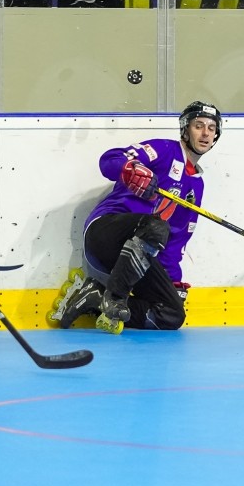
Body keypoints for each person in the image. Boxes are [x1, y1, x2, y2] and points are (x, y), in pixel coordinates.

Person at [48, 101, 221, 334]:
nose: (205, 133)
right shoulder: (163, 150)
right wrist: (128, 169)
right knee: (156, 226)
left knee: (172, 315)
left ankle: (96, 297)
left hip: (137, 256)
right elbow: (109, 159)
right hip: (105, 234)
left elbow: (175, 241)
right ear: (185, 129)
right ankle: (115, 297)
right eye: (198, 126)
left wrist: (172, 282)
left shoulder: (196, 187)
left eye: (211, 128)